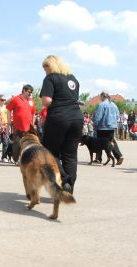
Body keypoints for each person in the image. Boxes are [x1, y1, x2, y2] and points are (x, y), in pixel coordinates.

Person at [40, 55, 83, 193]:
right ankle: (69, 189)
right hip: (77, 117)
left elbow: (46, 100)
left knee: (49, 153)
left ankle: (65, 180)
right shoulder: (73, 79)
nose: (45, 72)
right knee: (70, 155)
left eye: (46, 68)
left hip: (59, 117)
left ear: (51, 66)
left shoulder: (51, 78)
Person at [6, 84, 36, 163]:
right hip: (17, 126)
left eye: (31, 92)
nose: (30, 94)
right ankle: (15, 159)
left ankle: (23, 159)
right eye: (29, 92)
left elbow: (33, 113)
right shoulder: (16, 99)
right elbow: (9, 109)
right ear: (24, 90)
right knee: (17, 144)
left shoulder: (31, 101)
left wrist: (33, 123)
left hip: (28, 127)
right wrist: (9, 120)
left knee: (26, 144)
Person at [93, 91, 124, 165]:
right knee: (112, 142)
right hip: (111, 127)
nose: (100, 98)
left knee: (99, 143)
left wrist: (95, 125)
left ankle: (98, 159)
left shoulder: (102, 105)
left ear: (103, 96)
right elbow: (117, 116)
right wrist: (113, 123)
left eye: (100, 97)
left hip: (102, 127)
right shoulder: (114, 105)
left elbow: (98, 117)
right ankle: (119, 156)